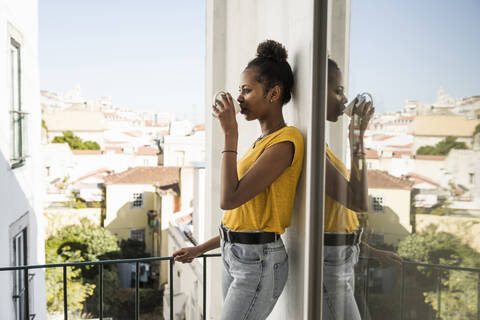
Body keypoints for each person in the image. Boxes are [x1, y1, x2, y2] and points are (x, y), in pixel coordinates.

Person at [173, 40, 304, 320]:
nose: (239, 98)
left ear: (274, 93)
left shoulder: (285, 142)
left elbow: (228, 199)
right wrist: (199, 249)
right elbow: (240, 217)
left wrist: (230, 133)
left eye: (247, 90)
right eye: (239, 90)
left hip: (258, 261)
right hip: (236, 255)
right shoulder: (261, 143)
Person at [323, 58, 403, 320]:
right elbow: (356, 202)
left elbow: (335, 220)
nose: (344, 99)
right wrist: (356, 136)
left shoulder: (319, 148)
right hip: (330, 266)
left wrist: (370, 251)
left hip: (342, 260)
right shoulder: (311, 149)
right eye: (337, 91)